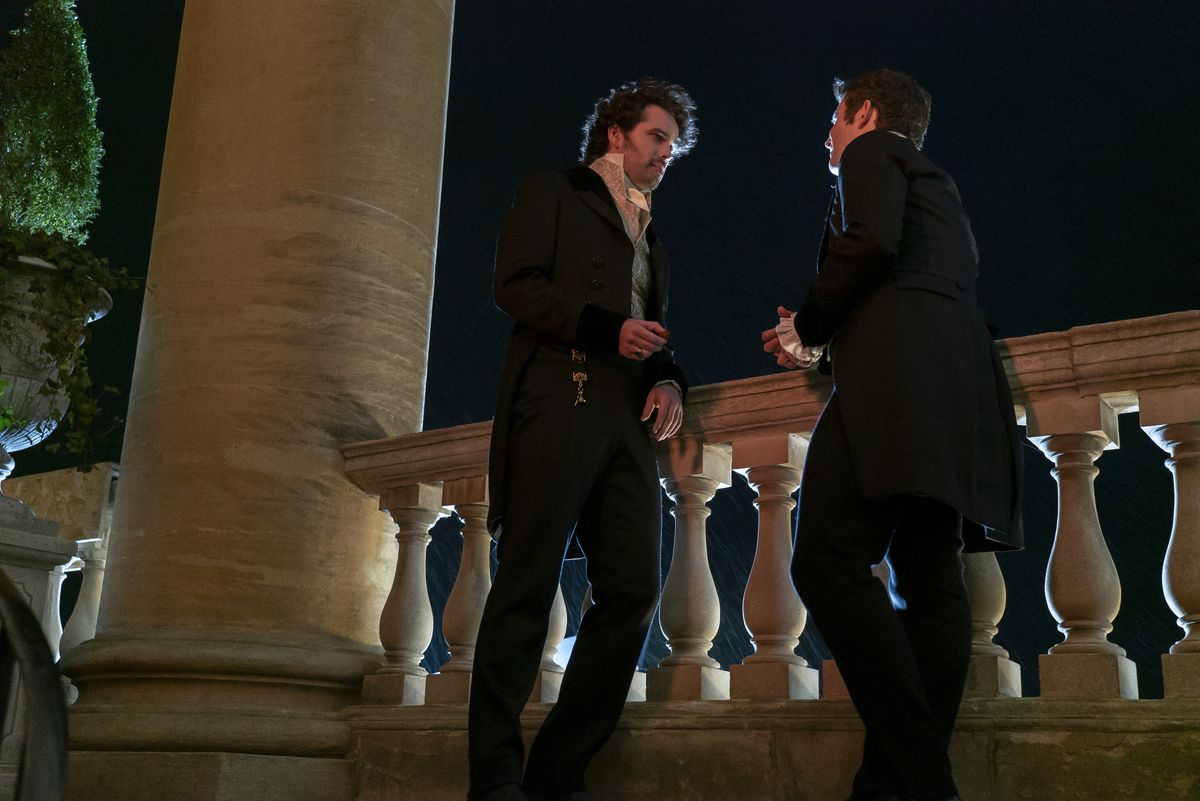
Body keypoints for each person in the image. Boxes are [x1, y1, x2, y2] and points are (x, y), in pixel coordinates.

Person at [762, 69, 1023, 801]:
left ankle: (921, 775)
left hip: (899, 385)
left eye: (834, 120)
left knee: (824, 562)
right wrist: (816, 341)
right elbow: (909, 273)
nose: (828, 137)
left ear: (866, 114)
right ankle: (892, 783)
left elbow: (870, 244)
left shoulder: (873, 155)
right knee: (930, 579)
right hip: (957, 386)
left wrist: (809, 325)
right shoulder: (937, 181)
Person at [468, 78, 698, 801]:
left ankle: (557, 771)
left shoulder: (653, 234)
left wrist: (671, 380)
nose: (667, 153)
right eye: (658, 136)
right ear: (617, 134)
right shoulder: (555, 192)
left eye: (674, 144)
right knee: (526, 586)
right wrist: (606, 330)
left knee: (631, 589)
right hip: (558, 396)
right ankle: (496, 779)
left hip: (627, 421)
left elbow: (650, 329)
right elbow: (515, 284)